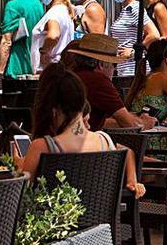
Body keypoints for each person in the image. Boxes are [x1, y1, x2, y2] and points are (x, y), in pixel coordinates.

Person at [17, 62, 145, 199]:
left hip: (58, 219)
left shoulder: (42, 146)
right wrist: (132, 180)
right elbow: (127, 151)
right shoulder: (103, 140)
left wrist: (19, 168)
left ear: (53, 110)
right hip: (100, 218)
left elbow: (23, 195)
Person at [64, 34, 157, 131]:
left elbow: (98, 122)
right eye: (114, 64)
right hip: (80, 141)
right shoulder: (98, 81)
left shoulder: (73, 74)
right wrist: (145, 123)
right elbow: (130, 124)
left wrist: (133, 118)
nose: (115, 70)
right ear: (101, 64)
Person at [109, 0, 159, 77]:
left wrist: (133, 51)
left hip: (133, 69)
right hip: (124, 68)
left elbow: (154, 34)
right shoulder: (125, 10)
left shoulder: (135, 8)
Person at [0, 0, 44, 78]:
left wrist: (0, 72)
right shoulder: (38, 4)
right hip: (34, 66)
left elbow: (6, 42)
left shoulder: (12, 5)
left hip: (16, 68)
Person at [31, 0, 75, 73]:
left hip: (48, 70)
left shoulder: (54, 13)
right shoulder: (64, 10)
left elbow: (53, 36)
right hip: (59, 68)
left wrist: (44, 52)